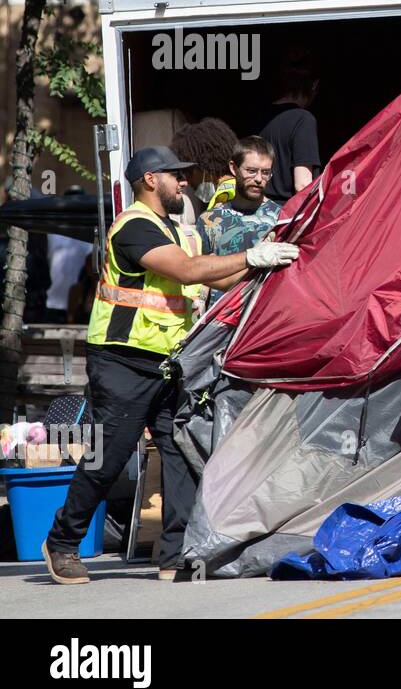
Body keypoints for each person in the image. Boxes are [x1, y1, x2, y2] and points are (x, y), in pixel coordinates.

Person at [42, 146, 300, 585]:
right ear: (149, 180)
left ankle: (174, 554)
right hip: (123, 358)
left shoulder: (177, 231)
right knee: (109, 455)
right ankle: (63, 543)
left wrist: (264, 263)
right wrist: (252, 257)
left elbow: (214, 276)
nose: (183, 182)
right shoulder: (135, 227)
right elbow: (185, 271)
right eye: (174, 176)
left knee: (180, 450)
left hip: (168, 360)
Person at [198, 136, 282, 270]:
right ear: (233, 168)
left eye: (266, 172)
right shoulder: (209, 221)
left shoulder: (282, 219)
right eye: (251, 171)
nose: (259, 179)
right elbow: (201, 273)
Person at [254, 49, 322, 204]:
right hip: (286, 216)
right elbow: (302, 185)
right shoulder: (303, 119)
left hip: (259, 209)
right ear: (315, 85)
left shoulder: (261, 118)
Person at [169, 117, 238, 221]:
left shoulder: (225, 196)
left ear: (205, 165)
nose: (187, 181)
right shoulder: (235, 188)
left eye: (189, 172)